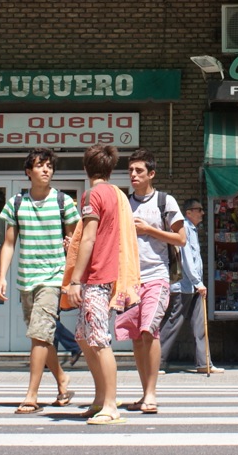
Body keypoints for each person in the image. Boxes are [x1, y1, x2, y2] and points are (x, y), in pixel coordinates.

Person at [0, 148, 79, 415]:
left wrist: (72, 272)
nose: (46, 170)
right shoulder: (16, 203)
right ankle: (62, 380)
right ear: (28, 172)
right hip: (26, 280)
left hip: (53, 278)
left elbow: (75, 242)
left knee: (39, 336)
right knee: (41, 337)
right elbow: (9, 243)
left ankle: (31, 396)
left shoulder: (64, 202)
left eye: (49, 166)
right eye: (40, 165)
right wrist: (2, 277)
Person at [62, 144, 139, 426]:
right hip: (108, 274)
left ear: (86, 167)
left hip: (96, 277)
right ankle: (99, 400)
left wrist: (75, 279)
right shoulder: (117, 194)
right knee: (84, 338)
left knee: (98, 340)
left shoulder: (92, 194)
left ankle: (110, 405)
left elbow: (90, 237)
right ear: (110, 168)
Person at [114, 149, 185, 414]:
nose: (133, 175)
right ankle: (144, 393)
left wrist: (149, 230)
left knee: (149, 331)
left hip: (157, 276)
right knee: (136, 337)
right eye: (130, 170)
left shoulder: (165, 202)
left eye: (139, 170)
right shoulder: (123, 203)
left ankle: (152, 394)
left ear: (151, 174)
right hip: (129, 279)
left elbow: (181, 239)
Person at [158, 198, 223, 374]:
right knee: (174, 322)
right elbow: (186, 260)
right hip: (185, 286)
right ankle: (155, 362)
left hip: (194, 286)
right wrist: (198, 282)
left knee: (200, 325)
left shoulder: (193, 229)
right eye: (199, 209)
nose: (202, 213)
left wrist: (198, 284)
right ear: (188, 213)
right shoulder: (185, 229)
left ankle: (204, 363)